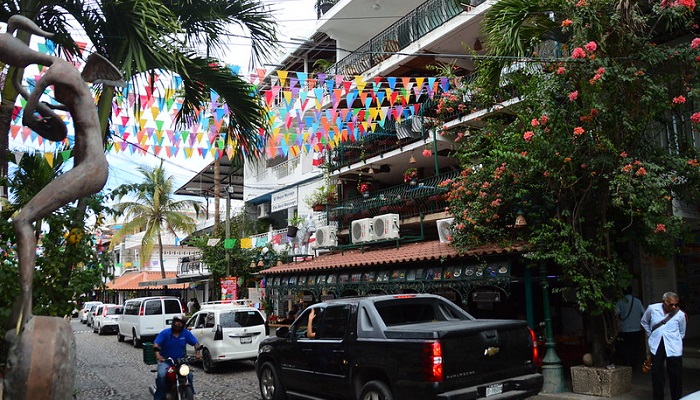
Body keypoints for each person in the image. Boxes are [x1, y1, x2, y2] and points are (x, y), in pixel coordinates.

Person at [641, 292, 687, 400]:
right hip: (657, 345)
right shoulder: (652, 309)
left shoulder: (680, 314)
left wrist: (677, 341)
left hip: (673, 347)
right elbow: (644, 322)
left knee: (676, 375)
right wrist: (651, 334)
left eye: (675, 304)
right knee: (657, 374)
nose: (674, 306)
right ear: (664, 302)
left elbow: (682, 332)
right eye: (671, 304)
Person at [152, 314, 202, 400]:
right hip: (166, 361)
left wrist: (197, 353)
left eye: (181, 323)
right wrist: (158, 356)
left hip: (181, 361)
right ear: (173, 322)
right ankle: (159, 396)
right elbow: (156, 344)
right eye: (177, 322)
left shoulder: (186, 333)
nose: (178, 324)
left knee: (189, 375)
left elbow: (195, 343)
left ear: (183, 324)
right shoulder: (165, 333)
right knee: (162, 375)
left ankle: (190, 392)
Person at [615, 289, 645, 368]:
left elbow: (616, 312)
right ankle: (633, 364)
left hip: (624, 328)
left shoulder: (620, 301)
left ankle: (626, 364)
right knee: (635, 347)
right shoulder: (638, 301)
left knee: (625, 347)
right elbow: (643, 312)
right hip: (636, 328)